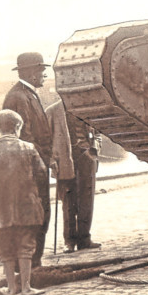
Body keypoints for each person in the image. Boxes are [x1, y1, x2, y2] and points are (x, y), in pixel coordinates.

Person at [2, 52, 53, 268]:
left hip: (34, 165)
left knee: (39, 213)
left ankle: (33, 262)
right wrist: (43, 160)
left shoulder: (26, 94)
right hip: (30, 169)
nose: (44, 74)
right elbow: (25, 137)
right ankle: (31, 264)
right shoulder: (19, 97)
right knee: (35, 214)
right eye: (41, 70)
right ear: (31, 72)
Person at [0, 110, 46, 295]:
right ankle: (25, 287)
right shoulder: (29, 148)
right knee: (26, 247)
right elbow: (41, 173)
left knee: (5, 249)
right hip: (26, 207)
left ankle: (10, 289)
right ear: (17, 127)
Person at [46, 100, 101, 253]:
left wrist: (94, 149)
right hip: (64, 161)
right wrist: (51, 160)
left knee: (87, 199)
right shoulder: (52, 111)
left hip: (87, 159)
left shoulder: (87, 107)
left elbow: (98, 134)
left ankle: (85, 239)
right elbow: (46, 139)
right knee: (68, 201)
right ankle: (69, 241)